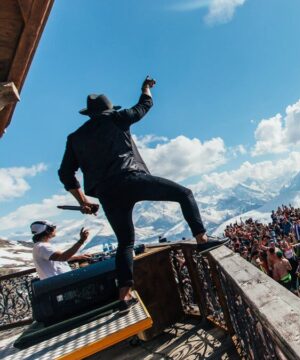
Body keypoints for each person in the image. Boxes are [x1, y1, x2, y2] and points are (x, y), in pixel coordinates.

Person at [58, 78, 227, 309]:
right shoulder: (117, 118)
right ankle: (202, 240)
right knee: (184, 194)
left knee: (125, 242)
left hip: (107, 193)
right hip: (131, 178)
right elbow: (144, 105)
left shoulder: (75, 138)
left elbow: (65, 174)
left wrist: (84, 201)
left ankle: (124, 296)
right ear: (108, 109)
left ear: (89, 114)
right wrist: (145, 87)